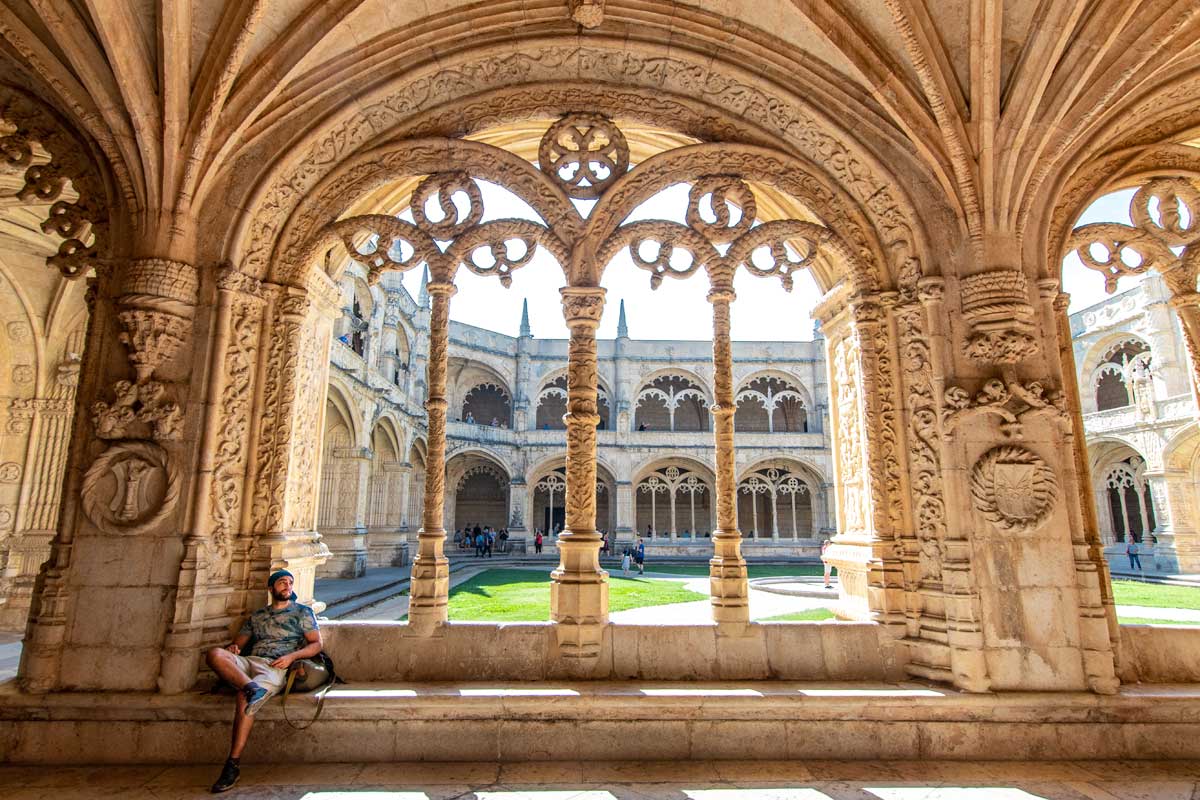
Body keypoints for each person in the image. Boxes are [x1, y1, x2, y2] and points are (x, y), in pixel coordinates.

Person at [205, 570, 322, 793]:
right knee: (214, 654)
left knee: (243, 699)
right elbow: (237, 644)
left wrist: (292, 657)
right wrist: (234, 649)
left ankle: (232, 763)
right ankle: (252, 688)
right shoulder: (257, 616)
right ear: (271, 588)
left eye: (290, 583)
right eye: (282, 582)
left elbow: (316, 644)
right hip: (249, 662)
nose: (287, 586)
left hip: (274, 666)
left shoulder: (302, 612)